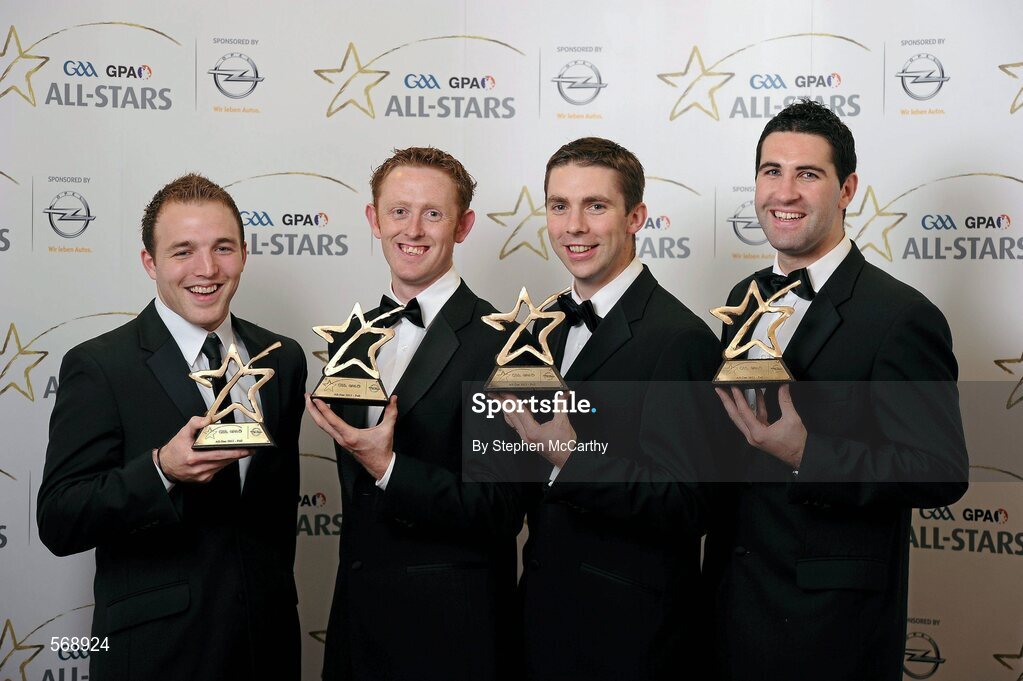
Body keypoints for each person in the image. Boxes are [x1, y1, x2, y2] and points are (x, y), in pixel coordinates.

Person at [706, 99, 969, 680]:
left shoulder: (900, 316)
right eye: (771, 171)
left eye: (808, 174)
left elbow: (940, 470)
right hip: (731, 610)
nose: (785, 192)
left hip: (831, 629)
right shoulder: (743, 296)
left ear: (847, 189)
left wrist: (809, 454)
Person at [37, 173, 307, 681]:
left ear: (244, 254)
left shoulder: (283, 359)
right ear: (150, 262)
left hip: (266, 646)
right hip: (157, 653)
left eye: (222, 247)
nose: (206, 269)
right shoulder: (100, 365)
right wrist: (160, 469)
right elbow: (59, 519)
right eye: (183, 251)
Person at [304, 147, 526, 681]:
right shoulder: (351, 339)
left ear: (464, 225)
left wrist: (390, 469)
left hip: (452, 637)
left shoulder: (504, 345)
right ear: (373, 219)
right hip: (359, 631)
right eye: (399, 211)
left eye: (434, 213)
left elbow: (502, 510)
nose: (415, 230)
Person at [504, 137, 720, 680]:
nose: (573, 226)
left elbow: (691, 505)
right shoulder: (536, 329)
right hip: (540, 622)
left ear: (635, 217)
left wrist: (573, 459)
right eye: (559, 206)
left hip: (634, 638)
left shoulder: (681, 339)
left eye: (595, 206)